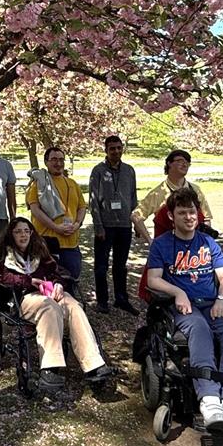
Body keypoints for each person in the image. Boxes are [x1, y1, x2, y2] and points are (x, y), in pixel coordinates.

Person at [144, 190, 223, 432]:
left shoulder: (208, 243)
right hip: (182, 307)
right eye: (181, 212)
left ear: (198, 214)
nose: (188, 217)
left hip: (211, 304)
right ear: (171, 216)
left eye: (192, 212)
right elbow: (153, 279)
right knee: (199, 328)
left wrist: (222, 301)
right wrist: (178, 292)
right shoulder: (162, 244)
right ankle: (210, 399)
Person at [0, 217, 111, 391]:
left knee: (74, 307)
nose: (23, 235)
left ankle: (93, 364)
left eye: (26, 231)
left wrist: (58, 284)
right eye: (18, 231)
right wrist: (29, 281)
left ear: (31, 233)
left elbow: (55, 272)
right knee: (48, 306)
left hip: (50, 292)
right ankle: (49, 368)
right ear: (11, 234)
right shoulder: (6, 254)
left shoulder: (39, 250)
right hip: (26, 298)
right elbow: (3, 278)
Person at [88, 135, 139, 315]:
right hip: (106, 226)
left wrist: (136, 223)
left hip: (125, 225)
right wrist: (98, 226)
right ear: (106, 150)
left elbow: (133, 198)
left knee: (121, 265)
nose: (116, 151)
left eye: (119, 148)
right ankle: (102, 301)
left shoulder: (129, 170)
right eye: (112, 149)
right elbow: (93, 201)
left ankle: (121, 298)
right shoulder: (98, 171)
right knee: (101, 266)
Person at [25, 146, 87, 282]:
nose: (58, 163)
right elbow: (35, 210)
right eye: (53, 159)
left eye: (61, 160)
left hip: (71, 245)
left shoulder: (73, 183)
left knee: (71, 283)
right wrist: (56, 227)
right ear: (46, 162)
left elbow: (82, 207)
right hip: (47, 245)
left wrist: (76, 225)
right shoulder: (38, 184)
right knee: (48, 285)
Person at [132, 149, 212, 242]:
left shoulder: (196, 190)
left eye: (187, 162)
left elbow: (206, 218)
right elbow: (136, 216)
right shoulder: (158, 193)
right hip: (167, 248)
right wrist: (150, 241)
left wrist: (204, 240)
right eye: (180, 161)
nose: (184, 164)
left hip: (193, 246)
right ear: (169, 163)